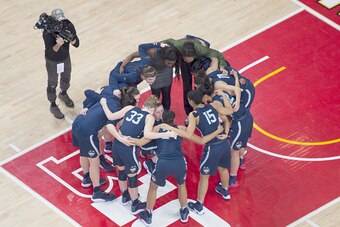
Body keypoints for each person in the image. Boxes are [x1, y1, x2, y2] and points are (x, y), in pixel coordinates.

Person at [138, 110, 224, 226]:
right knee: (181, 185)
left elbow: (145, 139)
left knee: (153, 187)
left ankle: (148, 214)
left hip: (163, 162)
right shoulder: (181, 129)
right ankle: (184, 211)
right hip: (179, 162)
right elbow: (192, 134)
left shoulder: (156, 129)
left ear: (163, 119)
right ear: (174, 119)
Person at [160, 88, 232, 215]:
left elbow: (188, 134)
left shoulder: (194, 115)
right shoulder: (213, 105)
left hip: (212, 147)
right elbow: (229, 112)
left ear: (191, 101)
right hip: (224, 144)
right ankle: (225, 190)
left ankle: (199, 205)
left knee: (204, 177)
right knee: (224, 169)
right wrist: (225, 132)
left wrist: (173, 129)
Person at [100, 95, 177, 215]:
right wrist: (166, 133)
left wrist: (104, 103)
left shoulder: (130, 108)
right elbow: (148, 135)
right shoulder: (149, 117)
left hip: (117, 145)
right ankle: (135, 204)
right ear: (152, 109)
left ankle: (125, 196)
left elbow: (110, 117)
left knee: (121, 170)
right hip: (129, 147)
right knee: (132, 176)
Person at [71, 87, 139, 202]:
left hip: (78, 122)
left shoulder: (108, 94)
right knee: (94, 161)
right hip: (88, 130)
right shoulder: (116, 109)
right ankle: (97, 192)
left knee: (83, 153)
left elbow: (87, 91)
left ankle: (87, 178)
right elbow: (110, 126)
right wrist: (121, 138)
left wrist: (91, 103)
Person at [161, 36, 229, 116]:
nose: (186, 60)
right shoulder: (178, 45)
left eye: (187, 59)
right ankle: (189, 113)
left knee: (199, 86)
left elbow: (217, 54)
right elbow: (167, 41)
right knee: (187, 86)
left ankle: (201, 109)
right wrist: (160, 45)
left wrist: (222, 66)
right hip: (185, 52)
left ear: (193, 56)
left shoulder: (201, 49)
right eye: (184, 58)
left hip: (199, 56)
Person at [43, 9, 80, 119]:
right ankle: (53, 105)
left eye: (62, 21)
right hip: (52, 61)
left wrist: (72, 39)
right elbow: (50, 51)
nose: (61, 23)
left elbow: (77, 43)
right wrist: (58, 44)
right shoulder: (47, 31)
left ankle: (63, 93)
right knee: (52, 83)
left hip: (65, 58)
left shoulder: (68, 25)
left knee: (66, 77)